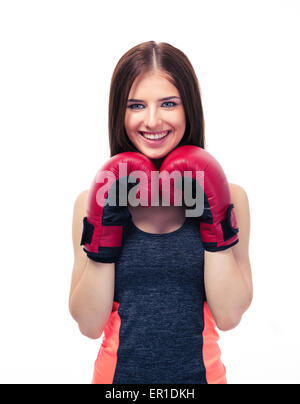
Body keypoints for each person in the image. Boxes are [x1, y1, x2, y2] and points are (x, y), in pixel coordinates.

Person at [69, 41, 252, 384]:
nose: (152, 120)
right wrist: (104, 220)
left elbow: (228, 316)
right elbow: (88, 324)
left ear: (189, 110)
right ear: (119, 114)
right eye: (136, 105)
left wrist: (214, 218)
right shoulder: (91, 199)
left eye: (168, 103)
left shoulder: (232, 197)